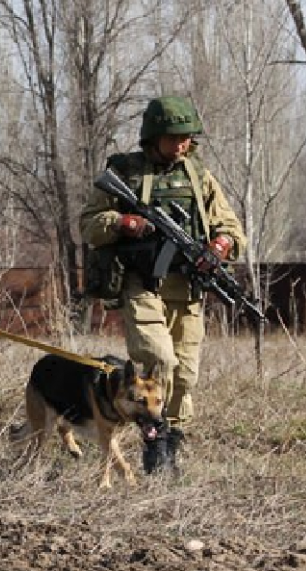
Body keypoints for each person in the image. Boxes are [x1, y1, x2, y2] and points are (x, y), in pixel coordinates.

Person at [79, 96, 246, 474]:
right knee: (160, 361)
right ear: (153, 136)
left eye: (187, 137)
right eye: (174, 137)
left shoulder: (197, 175)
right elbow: (88, 223)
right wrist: (124, 223)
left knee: (185, 376)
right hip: (141, 286)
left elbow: (231, 228)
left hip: (186, 290)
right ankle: (155, 453)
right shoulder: (124, 172)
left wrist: (220, 246)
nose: (182, 144)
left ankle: (170, 449)